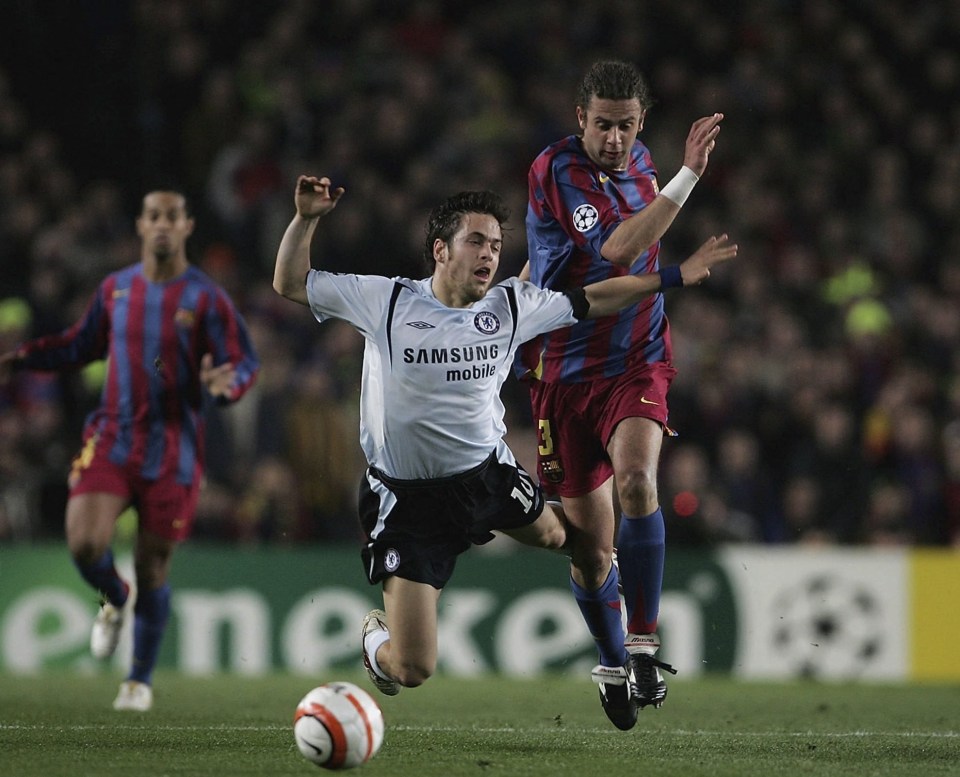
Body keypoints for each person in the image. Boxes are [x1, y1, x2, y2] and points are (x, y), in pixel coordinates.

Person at [273, 174, 735, 697]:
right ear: (440, 250)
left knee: (576, 541)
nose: (489, 255)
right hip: (408, 502)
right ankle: (376, 642)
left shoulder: (511, 306)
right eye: (476, 242)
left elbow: (595, 298)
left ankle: (614, 656)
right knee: (413, 669)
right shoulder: (387, 301)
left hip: (486, 477)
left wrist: (671, 276)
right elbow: (290, 282)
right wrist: (306, 218)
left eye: (496, 245)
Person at [516, 59, 724, 730]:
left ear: (641, 124)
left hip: (635, 359)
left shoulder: (642, 167)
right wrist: (689, 176)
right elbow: (615, 249)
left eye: (626, 126)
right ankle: (609, 660)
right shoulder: (558, 169)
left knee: (637, 479)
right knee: (590, 549)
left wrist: (670, 175)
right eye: (603, 124)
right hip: (561, 372)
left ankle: (641, 642)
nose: (614, 138)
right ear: (581, 118)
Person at [0, 190, 260, 711]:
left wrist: (225, 385)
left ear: (187, 226)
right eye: (153, 217)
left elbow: (244, 362)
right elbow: (79, 345)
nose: (163, 225)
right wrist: (21, 358)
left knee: (154, 569)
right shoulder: (116, 289)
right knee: (84, 543)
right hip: (113, 437)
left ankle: (138, 681)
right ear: (141, 226)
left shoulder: (206, 298)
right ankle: (114, 598)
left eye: (172, 217)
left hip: (175, 450)